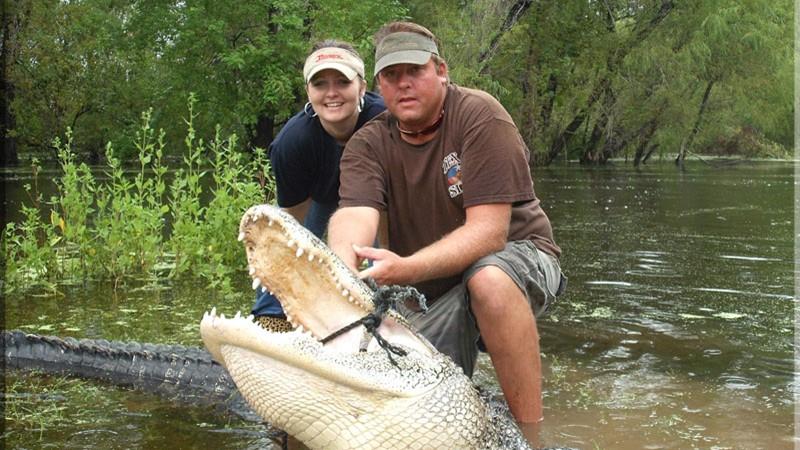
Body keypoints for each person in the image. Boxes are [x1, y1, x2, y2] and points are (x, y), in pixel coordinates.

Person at [327, 21, 566, 440]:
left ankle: (530, 435)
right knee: (411, 404)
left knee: (487, 278)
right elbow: (355, 216)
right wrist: (340, 275)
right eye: (391, 76)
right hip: (431, 286)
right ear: (378, 86)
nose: (403, 84)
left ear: (441, 70)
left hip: (520, 257)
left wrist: (406, 268)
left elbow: (490, 233)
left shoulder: (480, 115)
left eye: (414, 71)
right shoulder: (366, 144)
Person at [251, 40, 386, 328]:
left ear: (362, 87)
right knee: (286, 247)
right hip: (318, 196)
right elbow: (290, 225)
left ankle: (381, 324)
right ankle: (270, 323)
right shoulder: (292, 143)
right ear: (308, 92)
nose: (332, 93)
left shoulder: (387, 122)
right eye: (320, 83)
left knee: (381, 266)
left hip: (375, 202)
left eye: (342, 82)